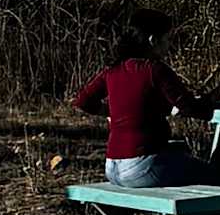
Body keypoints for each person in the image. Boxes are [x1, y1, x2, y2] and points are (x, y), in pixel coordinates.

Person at [70, 25, 208, 186]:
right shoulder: (155, 69)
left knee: (180, 158)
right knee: (216, 177)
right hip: (142, 165)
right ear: (152, 40)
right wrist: (217, 94)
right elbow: (190, 107)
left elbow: (82, 101)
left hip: (112, 168)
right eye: (166, 39)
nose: (169, 45)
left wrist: (113, 113)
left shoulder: (113, 70)